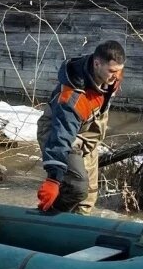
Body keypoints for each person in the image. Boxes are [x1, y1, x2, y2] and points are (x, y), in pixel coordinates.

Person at [36, 40, 125, 214]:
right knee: (77, 186)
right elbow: (61, 136)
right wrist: (53, 179)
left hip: (88, 133)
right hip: (58, 131)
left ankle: (78, 227)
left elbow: (113, 77)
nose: (117, 76)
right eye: (112, 71)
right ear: (97, 63)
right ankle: (49, 216)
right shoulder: (73, 97)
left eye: (120, 70)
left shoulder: (109, 74)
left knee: (89, 196)